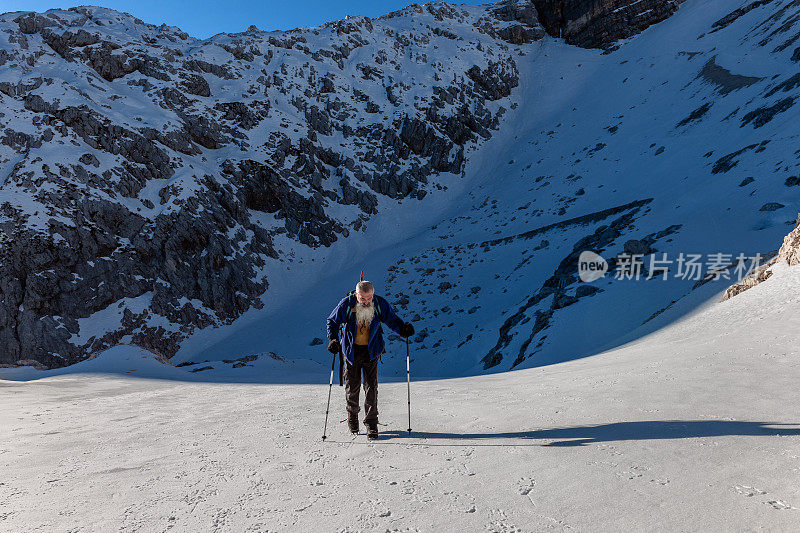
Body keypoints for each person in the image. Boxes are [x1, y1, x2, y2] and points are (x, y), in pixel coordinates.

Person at [326, 280, 415, 439]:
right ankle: (352, 415)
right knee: (352, 386)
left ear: (372, 294)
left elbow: (391, 319)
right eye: (362, 299)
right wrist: (333, 339)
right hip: (352, 351)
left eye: (369, 298)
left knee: (371, 386)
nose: (366, 302)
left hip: (371, 350)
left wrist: (403, 329)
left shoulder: (379, 304)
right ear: (356, 295)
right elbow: (332, 321)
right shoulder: (347, 304)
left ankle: (371, 423)